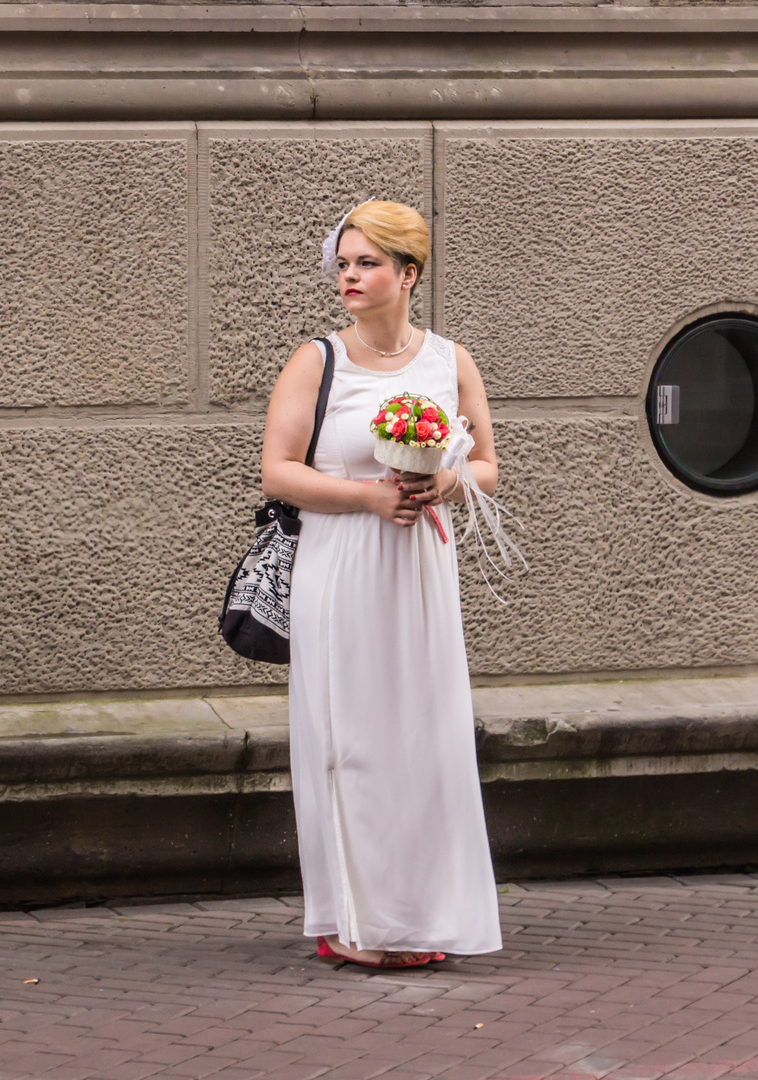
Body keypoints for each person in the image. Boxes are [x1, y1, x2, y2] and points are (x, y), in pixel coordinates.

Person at [259, 201, 503, 968]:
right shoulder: (316, 360)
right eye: (344, 265)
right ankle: (351, 922)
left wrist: (449, 484)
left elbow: (489, 465)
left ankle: (420, 917)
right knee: (351, 741)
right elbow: (278, 470)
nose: (350, 278)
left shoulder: (449, 361)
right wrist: (369, 495)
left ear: (409, 274)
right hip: (341, 567)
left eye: (367, 264)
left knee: (422, 741)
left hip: (420, 571)